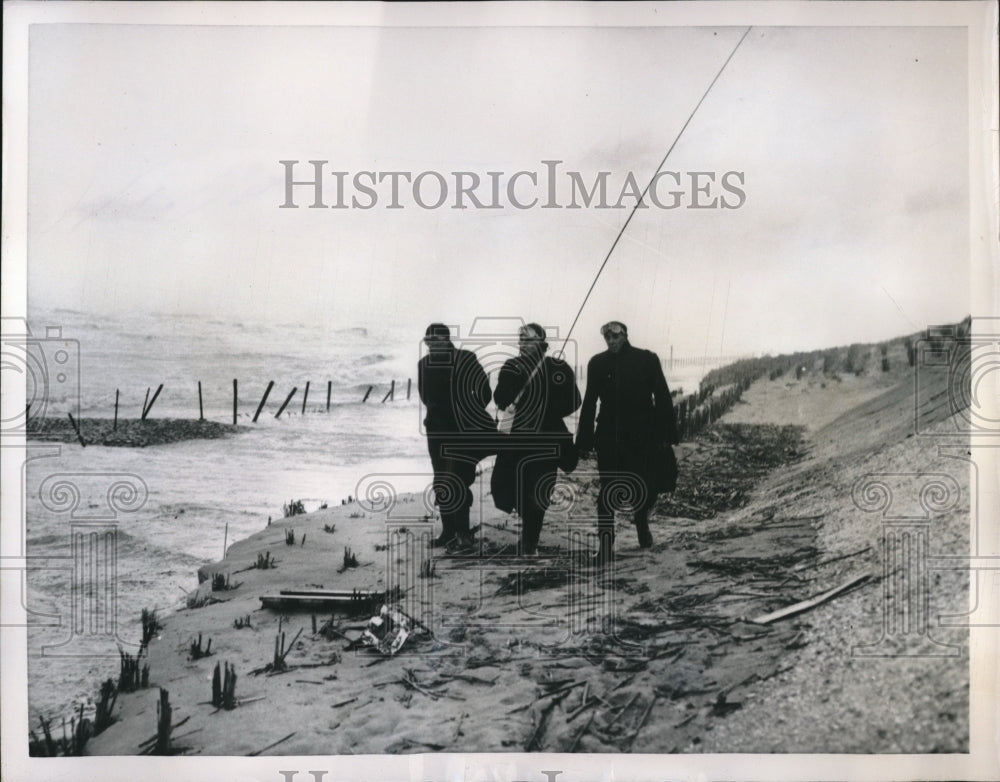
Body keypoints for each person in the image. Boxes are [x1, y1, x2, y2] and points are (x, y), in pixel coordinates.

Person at [575, 321, 679, 566]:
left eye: (615, 336)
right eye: (607, 337)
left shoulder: (647, 359)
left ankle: (642, 526)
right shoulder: (597, 363)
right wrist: (584, 441)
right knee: (607, 491)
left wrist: (667, 435)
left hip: (642, 435)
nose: (611, 341)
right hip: (609, 436)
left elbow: (662, 397)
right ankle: (605, 547)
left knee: (643, 487)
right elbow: (590, 402)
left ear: (625, 335)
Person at [492, 323, 581, 555]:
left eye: (527, 338)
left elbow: (575, 400)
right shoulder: (511, 366)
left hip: (548, 439)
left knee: (540, 489)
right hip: (517, 439)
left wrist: (546, 410)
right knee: (507, 487)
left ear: (541, 342)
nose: (522, 342)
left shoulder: (557, 367)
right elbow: (500, 397)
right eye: (520, 337)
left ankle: (530, 539)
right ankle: (529, 525)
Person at [417, 323, 495, 549]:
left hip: (462, 432)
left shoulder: (466, 358)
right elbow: (425, 397)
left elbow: (484, 393)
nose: (430, 345)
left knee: (458, 479)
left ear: (446, 340)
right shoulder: (423, 364)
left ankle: (463, 534)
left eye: (434, 341)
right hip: (436, 432)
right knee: (441, 480)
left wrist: (467, 412)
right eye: (427, 341)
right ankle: (448, 533)